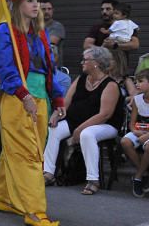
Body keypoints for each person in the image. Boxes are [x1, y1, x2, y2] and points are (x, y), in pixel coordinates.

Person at [0, 0, 66, 226]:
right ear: (17, 4)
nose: (37, 5)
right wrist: (23, 95)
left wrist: (58, 98)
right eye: (31, 0)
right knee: (29, 155)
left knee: (16, 150)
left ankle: (5, 196)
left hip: (40, 98)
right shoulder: (5, 31)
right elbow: (3, 68)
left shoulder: (39, 32)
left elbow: (48, 69)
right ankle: (34, 211)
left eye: (38, 0)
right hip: (18, 100)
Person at [42, 45, 123, 195]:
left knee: (87, 134)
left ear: (96, 63)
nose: (82, 63)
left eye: (85, 60)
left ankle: (93, 180)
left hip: (105, 125)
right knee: (54, 128)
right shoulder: (81, 78)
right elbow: (66, 103)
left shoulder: (110, 85)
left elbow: (104, 114)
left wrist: (80, 129)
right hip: (76, 121)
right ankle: (48, 173)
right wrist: (56, 115)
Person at [40, 0, 65, 66]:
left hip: (54, 69)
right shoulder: (34, 27)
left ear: (52, 10)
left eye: (49, 9)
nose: (47, 11)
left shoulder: (57, 26)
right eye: (43, 9)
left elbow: (50, 43)